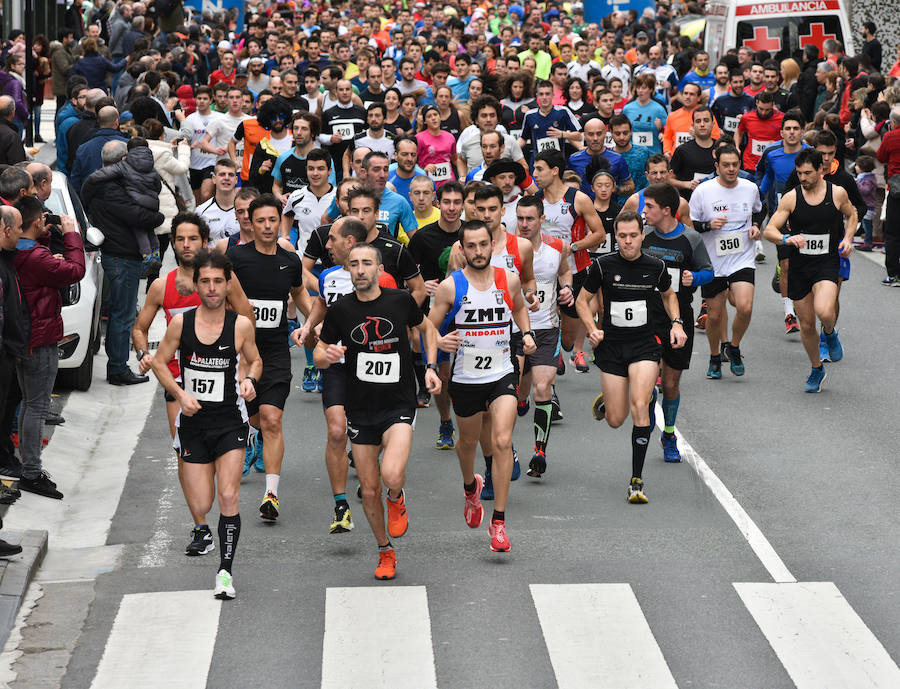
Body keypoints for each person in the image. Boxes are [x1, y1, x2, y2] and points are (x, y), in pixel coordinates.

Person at [315, 241, 439, 579]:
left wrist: (430, 367)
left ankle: (396, 497)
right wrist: (326, 357)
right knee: (369, 490)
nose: (359, 269)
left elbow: (426, 328)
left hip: (398, 403)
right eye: (353, 264)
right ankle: (385, 550)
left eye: (366, 263)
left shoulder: (399, 300)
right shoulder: (341, 310)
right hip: (360, 407)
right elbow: (319, 352)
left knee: (391, 476)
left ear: (379, 269)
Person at [133, 212, 255, 550]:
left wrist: (244, 369)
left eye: (193, 239)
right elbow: (139, 328)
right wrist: (145, 353)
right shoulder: (162, 285)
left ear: (204, 242)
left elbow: (246, 318)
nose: (186, 245)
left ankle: (237, 447)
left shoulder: (221, 281)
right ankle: (201, 527)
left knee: (220, 468)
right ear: (173, 243)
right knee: (183, 452)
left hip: (222, 377)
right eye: (180, 239)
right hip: (177, 380)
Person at [150, 248, 261, 600]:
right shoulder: (181, 324)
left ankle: (225, 572)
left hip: (229, 421)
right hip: (193, 424)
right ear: (195, 284)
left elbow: (255, 361)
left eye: (218, 281)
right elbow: (160, 362)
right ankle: (208, 527)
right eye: (205, 282)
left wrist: (250, 381)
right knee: (202, 504)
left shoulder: (240, 325)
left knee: (229, 495)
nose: (212, 288)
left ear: (228, 284)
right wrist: (181, 395)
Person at [429, 220, 537, 552]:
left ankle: (499, 522)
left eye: (483, 245)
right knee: (468, 443)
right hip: (465, 377)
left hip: (502, 372)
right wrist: (435, 356)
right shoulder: (451, 286)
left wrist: (527, 332)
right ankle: (469, 489)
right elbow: (427, 327)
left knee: (503, 440)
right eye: (471, 246)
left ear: (493, 245)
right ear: (462, 248)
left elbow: (518, 308)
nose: (478, 252)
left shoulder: (509, 280)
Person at [575, 210, 687, 503]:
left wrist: (676, 323)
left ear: (642, 235)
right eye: (622, 237)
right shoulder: (602, 266)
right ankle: (612, 399)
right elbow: (582, 301)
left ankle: (636, 481)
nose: (627, 242)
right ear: (617, 237)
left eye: (633, 236)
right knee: (614, 419)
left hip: (644, 344)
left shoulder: (656, 266)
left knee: (641, 404)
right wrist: (591, 328)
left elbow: (669, 295)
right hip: (611, 345)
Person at [226, 194, 311, 521]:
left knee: (273, 419)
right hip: (241, 352)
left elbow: (299, 292)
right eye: (259, 220)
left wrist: (316, 324)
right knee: (257, 418)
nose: (265, 226)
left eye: (271, 220)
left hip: (275, 352)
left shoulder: (289, 260)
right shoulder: (235, 259)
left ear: (280, 221)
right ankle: (252, 433)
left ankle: (271, 493)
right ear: (249, 221)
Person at [763, 148, 856, 392]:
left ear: (821, 171)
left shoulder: (837, 194)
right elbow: (770, 229)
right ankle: (816, 368)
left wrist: (848, 238)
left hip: (826, 262)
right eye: (799, 173)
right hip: (800, 266)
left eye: (807, 173)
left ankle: (830, 332)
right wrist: (786, 240)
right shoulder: (791, 198)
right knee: (806, 325)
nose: (802, 178)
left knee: (824, 310)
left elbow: (852, 214)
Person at [12, 196, 85, 499]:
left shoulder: (17, 250)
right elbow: (75, 270)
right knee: (36, 406)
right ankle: (31, 471)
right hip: (39, 340)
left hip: (24, 337)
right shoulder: (37, 259)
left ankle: (28, 465)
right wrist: (71, 234)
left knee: (29, 404)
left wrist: (42, 231)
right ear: (38, 221)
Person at [640, 184, 713, 462]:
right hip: (646, 318)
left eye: (649, 207)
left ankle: (668, 434)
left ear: (666, 210)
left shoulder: (690, 239)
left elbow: (708, 272)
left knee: (669, 384)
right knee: (647, 382)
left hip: (678, 320)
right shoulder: (643, 236)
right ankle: (644, 428)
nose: (644, 212)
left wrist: (694, 279)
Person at [82, 140, 165, 385]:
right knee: (123, 315)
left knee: (121, 313)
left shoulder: (104, 182)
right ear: (123, 160)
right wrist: (159, 216)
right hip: (121, 257)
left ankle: (118, 365)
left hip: (117, 254)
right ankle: (118, 369)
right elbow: (136, 215)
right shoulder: (111, 188)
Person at [689, 145, 764, 379]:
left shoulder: (750, 188)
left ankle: (733, 346)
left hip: (742, 258)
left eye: (735, 164)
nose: (731, 169)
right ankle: (714, 357)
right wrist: (708, 226)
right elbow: (690, 224)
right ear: (717, 167)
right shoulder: (703, 191)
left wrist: (755, 226)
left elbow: (760, 211)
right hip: (713, 260)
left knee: (745, 306)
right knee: (714, 316)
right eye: (726, 165)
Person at [513, 195, 573, 476]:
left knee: (542, 387)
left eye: (530, 219)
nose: (524, 224)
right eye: (520, 218)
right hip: (512, 331)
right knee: (518, 395)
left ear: (541, 220)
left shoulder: (556, 249)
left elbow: (565, 273)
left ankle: (539, 452)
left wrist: (567, 289)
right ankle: (520, 404)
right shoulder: (505, 251)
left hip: (546, 329)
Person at [532, 150, 606, 373]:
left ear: (555, 171)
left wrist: (571, 247)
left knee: (569, 336)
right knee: (547, 319)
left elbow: (599, 234)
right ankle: (552, 352)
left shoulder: (578, 199)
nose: (535, 174)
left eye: (539, 169)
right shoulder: (536, 201)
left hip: (575, 269)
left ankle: (563, 346)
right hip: (544, 273)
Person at [757, 111, 809, 333]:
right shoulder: (772, 153)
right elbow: (765, 175)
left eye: (796, 128)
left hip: (806, 217)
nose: (791, 132)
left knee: (804, 265)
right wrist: (758, 195)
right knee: (787, 264)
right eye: (787, 128)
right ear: (781, 132)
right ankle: (789, 313)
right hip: (780, 217)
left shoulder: (811, 154)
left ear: (802, 131)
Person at [180, 85, 220, 204]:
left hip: (211, 162)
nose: (201, 101)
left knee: (206, 195)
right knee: (197, 202)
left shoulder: (218, 118)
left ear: (211, 100)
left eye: (205, 98)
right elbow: (184, 139)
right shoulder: (190, 119)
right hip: (194, 164)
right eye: (199, 98)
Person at [196, 158, 240, 242]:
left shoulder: (246, 210)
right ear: (214, 179)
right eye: (222, 174)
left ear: (236, 180)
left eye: (231, 175)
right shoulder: (201, 211)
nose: (226, 178)